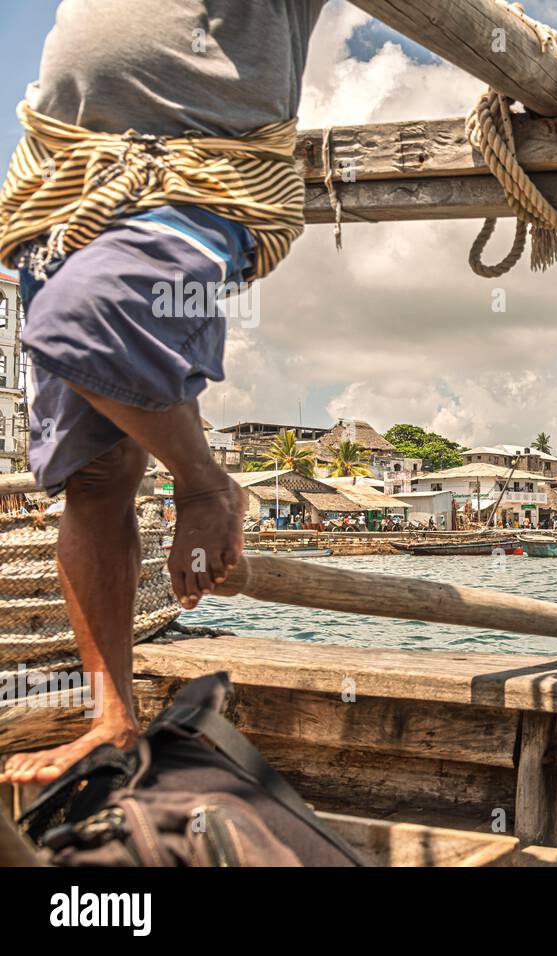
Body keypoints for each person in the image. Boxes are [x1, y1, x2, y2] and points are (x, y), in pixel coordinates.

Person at [0, 1, 327, 786]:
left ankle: (208, 484)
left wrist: (195, 477)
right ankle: (111, 718)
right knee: (94, 475)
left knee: (84, 321)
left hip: (198, 173)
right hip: (62, 182)